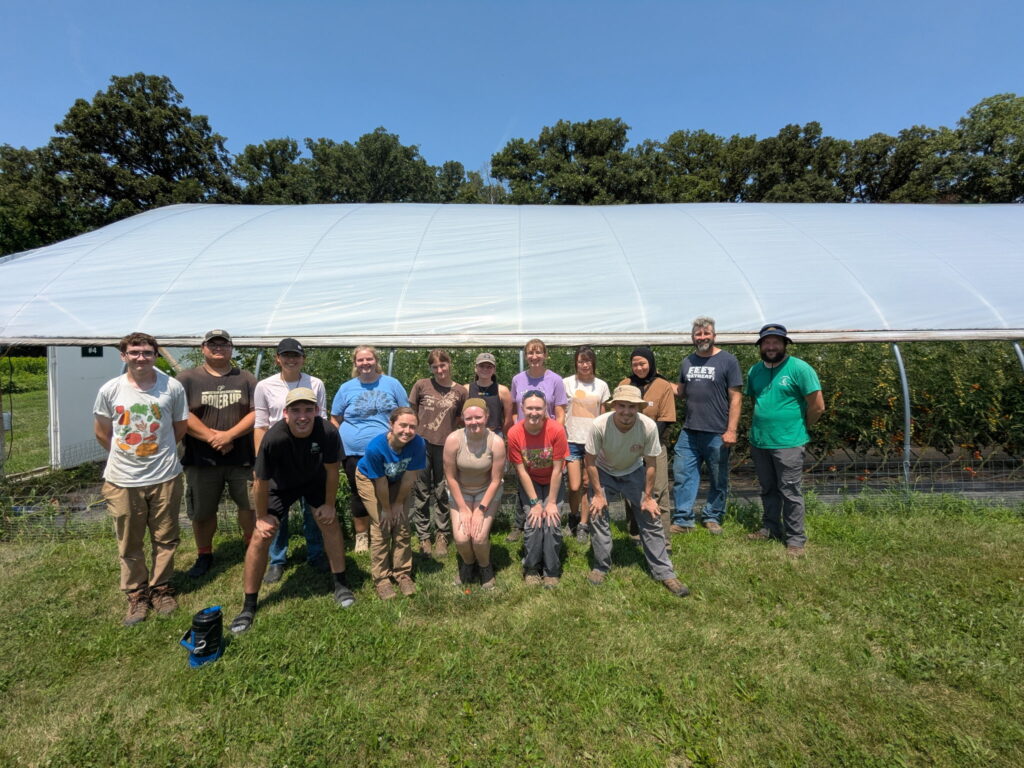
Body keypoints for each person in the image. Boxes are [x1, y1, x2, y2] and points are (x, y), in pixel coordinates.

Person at [230, 388, 354, 634]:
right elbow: (260, 481)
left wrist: (329, 505)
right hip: (280, 485)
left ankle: (341, 584)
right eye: (296, 410)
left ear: (317, 411)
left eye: (308, 410)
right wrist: (262, 517)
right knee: (260, 536)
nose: (302, 416)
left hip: (315, 480)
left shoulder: (328, 431)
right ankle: (249, 605)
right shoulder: (274, 437)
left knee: (330, 523)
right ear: (285, 413)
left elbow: (331, 471)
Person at [93, 332, 188, 626]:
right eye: (134, 352)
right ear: (124, 356)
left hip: (165, 475)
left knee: (166, 537)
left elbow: (180, 427)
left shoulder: (171, 388)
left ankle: (161, 589)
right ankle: (136, 593)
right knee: (129, 540)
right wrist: (125, 455)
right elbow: (101, 431)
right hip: (122, 479)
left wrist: (157, 453)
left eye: (147, 352)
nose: (141, 357)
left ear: (155, 355)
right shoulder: (111, 390)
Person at [585, 385, 690, 598]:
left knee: (650, 516)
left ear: (638, 408)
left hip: (634, 471)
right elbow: (590, 460)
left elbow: (651, 463)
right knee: (597, 514)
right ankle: (601, 566)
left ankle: (664, 571)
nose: (626, 411)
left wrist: (649, 497)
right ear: (614, 406)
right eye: (622, 405)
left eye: (632, 407)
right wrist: (597, 494)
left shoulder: (648, 427)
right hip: (604, 471)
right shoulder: (599, 425)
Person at [178, 330, 257, 578]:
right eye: (213, 344)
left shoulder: (245, 378)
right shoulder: (187, 379)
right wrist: (214, 438)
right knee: (202, 511)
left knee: (249, 506)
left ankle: (251, 549)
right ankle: (204, 554)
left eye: (224, 344)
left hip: (241, 457)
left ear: (231, 348)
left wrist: (230, 435)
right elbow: (181, 414)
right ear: (203, 348)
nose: (219, 348)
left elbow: (257, 412)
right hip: (201, 459)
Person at [744, 324, 825, 557]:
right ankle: (770, 528)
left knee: (789, 490)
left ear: (784, 344)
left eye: (776, 342)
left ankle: (795, 539)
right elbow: (756, 402)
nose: (771, 346)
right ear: (760, 346)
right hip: (760, 441)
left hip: (789, 442)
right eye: (766, 343)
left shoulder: (800, 369)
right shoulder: (755, 371)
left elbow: (817, 406)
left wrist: (801, 427)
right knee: (768, 488)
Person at [253, 338, 328, 583]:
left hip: (310, 455)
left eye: (295, 355)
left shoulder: (315, 384)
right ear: (277, 358)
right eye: (285, 355)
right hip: (278, 455)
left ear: (303, 358)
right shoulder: (265, 386)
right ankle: (277, 559)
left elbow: (323, 420)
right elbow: (261, 424)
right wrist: (260, 461)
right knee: (277, 510)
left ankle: (316, 553)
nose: (291, 359)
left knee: (313, 507)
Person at [330, 345, 409, 554]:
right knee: (358, 494)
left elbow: (405, 412)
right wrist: (339, 443)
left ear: (376, 361)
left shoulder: (392, 384)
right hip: (354, 452)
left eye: (369, 359)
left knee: (388, 492)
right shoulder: (346, 388)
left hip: (387, 451)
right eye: (360, 360)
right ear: (355, 363)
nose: (365, 363)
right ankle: (362, 536)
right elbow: (335, 418)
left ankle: (387, 531)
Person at [671, 317, 743, 535]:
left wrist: (731, 430)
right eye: (698, 334)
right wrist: (658, 382)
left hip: (717, 431)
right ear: (693, 337)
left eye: (706, 334)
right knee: (683, 474)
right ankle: (683, 519)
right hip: (690, 430)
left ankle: (712, 516)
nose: (702, 337)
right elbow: (681, 392)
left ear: (714, 335)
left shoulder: (728, 361)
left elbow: (736, 398)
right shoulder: (687, 362)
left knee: (718, 476)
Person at [354, 407, 427, 600]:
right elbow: (380, 482)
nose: (407, 431)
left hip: (397, 480)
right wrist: (386, 509)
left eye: (412, 427)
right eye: (403, 425)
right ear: (391, 425)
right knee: (382, 525)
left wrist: (398, 505)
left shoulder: (418, 444)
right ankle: (382, 580)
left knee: (402, 523)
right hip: (370, 480)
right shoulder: (376, 447)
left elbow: (409, 479)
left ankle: (402, 573)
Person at [408, 349, 467, 559]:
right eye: (435, 367)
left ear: (449, 364)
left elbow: (461, 418)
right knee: (422, 491)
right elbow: (411, 412)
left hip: (446, 446)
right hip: (421, 444)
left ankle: (442, 533)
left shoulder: (460, 391)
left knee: (443, 490)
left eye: (443, 365)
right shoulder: (422, 385)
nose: (439, 370)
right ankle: (424, 535)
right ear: (430, 368)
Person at [507, 391, 568, 587]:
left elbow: (558, 469)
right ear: (523, 409)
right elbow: (521, 471)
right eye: (530, 408)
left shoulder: (557, 430)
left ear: (546, 410)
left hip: (553, 481)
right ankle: (531, 568)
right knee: (534, 522)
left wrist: (550, 503)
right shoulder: (514, 433)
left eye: (538, 408)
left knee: (551, 521)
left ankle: (551, 570)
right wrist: (535, 503)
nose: (534, 412)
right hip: (530, 482)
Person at [443, 398, 506, 589]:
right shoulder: (453, 440)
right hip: (460, 491)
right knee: (462, 538)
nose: (474, 422)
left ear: (486, 417)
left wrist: (480, 510)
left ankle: (485, 566)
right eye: (469, 418)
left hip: (487, 491)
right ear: (462, 418)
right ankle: (468, 564)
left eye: (478, 417)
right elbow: (451, 478)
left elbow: (496, 480)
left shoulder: (496, 442)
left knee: (478, 537)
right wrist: (463, 508)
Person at [508, 339, 567, 541]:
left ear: (545, 355)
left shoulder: (555, 380)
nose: (534, 357)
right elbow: (515, 410)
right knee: (523, 477)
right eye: (530, 353)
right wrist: (518, 430)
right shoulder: (518, 379)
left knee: (550, 474)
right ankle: (521, 523)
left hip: (546, 438)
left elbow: (560, 412)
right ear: (526, 356)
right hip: (524, 437)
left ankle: (551, 515)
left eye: (538, 352)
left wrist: (555, 434)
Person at [619, 346, 676, 542]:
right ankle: (635, 533)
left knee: (658, 489)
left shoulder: (663, 385)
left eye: (642, 363)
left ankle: (663, 538)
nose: (639, 367)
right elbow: (616, 413)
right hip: (628, 446)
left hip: (655, 445)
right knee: (631, 488)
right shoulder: (625, 384)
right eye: (635, 364)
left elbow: (666, 418)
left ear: (650, 363)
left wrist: (647, 443)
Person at [562, 346, 610, 543]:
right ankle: (572, 516)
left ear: (593, 363)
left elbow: (605, 414)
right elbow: (560, 410)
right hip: (571, 439)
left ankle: (583, 524)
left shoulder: (601, 386)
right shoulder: (566, 383)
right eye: (581, 361)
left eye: (588, 361)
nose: (584, 364)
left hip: (593, 441)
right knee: (574, 486)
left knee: (587, 484)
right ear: (576, 363)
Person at [467, 352, 514, 437]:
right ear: (475, 368)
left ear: (494, 369)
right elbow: (460, 416)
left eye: (489, 367)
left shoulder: (502, 391)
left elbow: (508, 419)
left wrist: (501, 435)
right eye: (481, 366)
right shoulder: (467, 389)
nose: (485, 369)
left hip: (495, 433)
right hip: (471, 433)